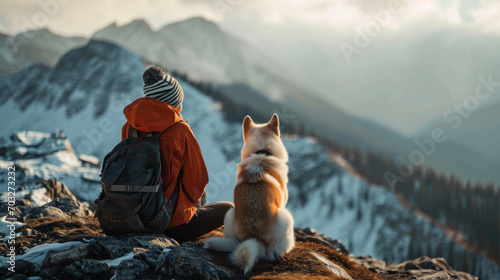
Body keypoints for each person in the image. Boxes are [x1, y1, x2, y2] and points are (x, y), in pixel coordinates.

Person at [121, 65, 233, 242]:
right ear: (172, 102)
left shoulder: (129, 127)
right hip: (172, 227)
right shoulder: (180, 130)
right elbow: (198, 181)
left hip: (130, 218)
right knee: (229, 208)